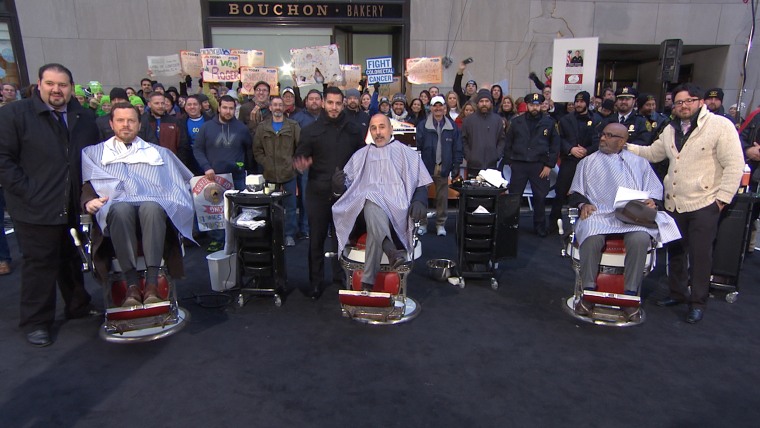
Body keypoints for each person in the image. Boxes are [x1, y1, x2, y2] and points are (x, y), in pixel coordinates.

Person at [0, 63, 101, 347]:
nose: (57, 90)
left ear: (71, 87)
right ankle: (36, 321)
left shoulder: (84, 117)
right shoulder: (14, 115)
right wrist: (27, 191)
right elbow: (3, 161)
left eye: (63, 85)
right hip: (33, 206)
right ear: (39, 85)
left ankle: (78, 305)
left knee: (72, 257)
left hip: (72, 203)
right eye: (51, 84)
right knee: (40, 264)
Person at [626, 83, 745, 324]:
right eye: (679, 102)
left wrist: (722, 200)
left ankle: (698, 302)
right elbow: (653, 153)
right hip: (674, 203)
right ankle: (678, 293)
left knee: (700, 255)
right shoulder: (670, 129)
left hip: (705, 203)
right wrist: (625, 146)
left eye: (689, 101)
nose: (683, 106)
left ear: (700, 102)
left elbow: (734, 164)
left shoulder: (720, 126)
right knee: (676, 252)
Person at [81, 103, 194, 307]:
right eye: (120, 120)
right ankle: (131, 284)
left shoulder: (159, 153)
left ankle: (151, 284)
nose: (126, 125)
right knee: (121, 208)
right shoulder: (94, 154)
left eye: (131, 120)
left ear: (139, 124)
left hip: (153, 213)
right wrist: (89, 200)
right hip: (115, 213)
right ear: (111, 124)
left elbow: (178, 184)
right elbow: (88, 184)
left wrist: (172, 200)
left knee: (151, 206)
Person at [568, 123, 680, 319]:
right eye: (603, 134)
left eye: (609, 136)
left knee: (640, 239)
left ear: (622, 141)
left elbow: (655, 191)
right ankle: (588, 293)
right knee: (591, 237)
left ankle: (629, 295)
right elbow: (575, 192)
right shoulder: (587, 162)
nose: (603, 139)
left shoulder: (639, 163)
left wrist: (652, 202)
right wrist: (582, 204)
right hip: (600, 213)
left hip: (632, 215)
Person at [332, 114, 432, 291]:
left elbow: (421, 184)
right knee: (371, 200)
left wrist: (420, 200)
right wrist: (338, 188)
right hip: (362, 215)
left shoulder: (406, 153)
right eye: (373, 128)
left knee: (373, 211)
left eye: (382, 127)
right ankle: (389, 249)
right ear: (369, 131)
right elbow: (348, 190)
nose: (378, 132)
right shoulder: (360, 155)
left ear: (391, 129)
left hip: (397, 212)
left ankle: (368, 281)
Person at [293, 87, 365, 299]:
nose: (334, 107)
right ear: (324, 103)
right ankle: (315, 282)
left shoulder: (353, 130)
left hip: (345, 193)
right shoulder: (310, 130)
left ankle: (342, 276)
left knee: (343, 238)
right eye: (330, 103)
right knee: (316, 239)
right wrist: (301, 164)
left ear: (343, 104)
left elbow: (361, 158)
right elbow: (299, 156)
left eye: (338, 103)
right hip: (317, 192)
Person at [194, 95, 253, 252]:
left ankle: (239, 239)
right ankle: (217, 240)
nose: (228, 111)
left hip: (237, 176)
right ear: (219, 108)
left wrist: (243, 165)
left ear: (235, 109)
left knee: (239, 210)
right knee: (216, 210)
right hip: (214, 177)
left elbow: (249, 150)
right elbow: (197, 149)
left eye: (231, 108)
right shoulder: (206, 128)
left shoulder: (242, 128)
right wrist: (206, 166)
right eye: (225, 108)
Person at [504, 92, 560, 237]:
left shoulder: (549, 122)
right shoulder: (516, 122)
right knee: (514, 197)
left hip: (539, 165)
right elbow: (508, 142)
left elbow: (555, 146)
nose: (534, 107)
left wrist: (549, 165)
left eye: (537, 105)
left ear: (541, 105)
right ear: (527, 105)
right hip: (519, 164)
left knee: (540, 198)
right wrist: (510, 161)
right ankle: (511, 225)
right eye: (531, 105)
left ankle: (539, 226)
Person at [550, 91, 601, 230]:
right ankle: (554, 223)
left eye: (581, 102)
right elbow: (559, 139)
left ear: (587, 103)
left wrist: (587, 151)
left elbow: (598, 141)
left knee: (587, 194)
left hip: (588, 163)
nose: (578, 104)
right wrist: (571, 149)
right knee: (560, 192)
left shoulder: (596, 120)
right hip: (570, 161)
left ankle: (586, 224)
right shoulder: (565, 119)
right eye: (577, 102)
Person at [253, 96, 301, 247]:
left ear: (284, 107)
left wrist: (293, 164)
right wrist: (266, 162)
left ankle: (289, 235)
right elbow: (257, 150)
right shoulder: (262, 127)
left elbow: (301, 147)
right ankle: (272, 234)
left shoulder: (293, 126)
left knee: (291, 207)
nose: (278, 107)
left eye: (280, 105)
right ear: (271, 108)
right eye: (275, 105)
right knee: (270, 207)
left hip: (289, 174)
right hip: (269, 175)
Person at [416, 96, 462, 236]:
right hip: (425, 167)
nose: (437, 109)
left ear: (445, 108)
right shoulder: (422, 126)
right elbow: (417, 147)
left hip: (443, 167)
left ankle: (440, 224)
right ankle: (422, 223)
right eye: (435, 106)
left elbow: (457, 147)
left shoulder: (452, 127)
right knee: (422, 197)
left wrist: (456, 166)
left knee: (442, 198)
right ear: (430, 108)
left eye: (440, 106)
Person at [291, 89, 324, 240]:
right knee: (305, 198)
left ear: (322, 101)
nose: (314, 101)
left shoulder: (327, 117)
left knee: (325, 197)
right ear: (306, 101)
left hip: (324, 164)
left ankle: (326, 227)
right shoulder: (298, 118)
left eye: (317, 99)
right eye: (311, 99)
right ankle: (305, 228)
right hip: (305, 165)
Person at [461, 89, 505, 177]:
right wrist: (469, 156)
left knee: (489, 190)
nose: (484, 104)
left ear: (491, 103)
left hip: (491, 166)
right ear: (477, 103)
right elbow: (463, 140)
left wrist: (496, 155)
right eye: (481, 101)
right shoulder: (468, 120)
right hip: (473, 166)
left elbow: (502, 140)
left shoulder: (497, 120)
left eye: (487, 101)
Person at [138, 92, 189, 167]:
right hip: (149, 166)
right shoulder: (142, 121)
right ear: (149, 104)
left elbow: (183, 145)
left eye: (162, 103)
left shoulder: (174, 122)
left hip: (172, 164)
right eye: (157, 103)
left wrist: (179, 164)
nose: (160, 106)